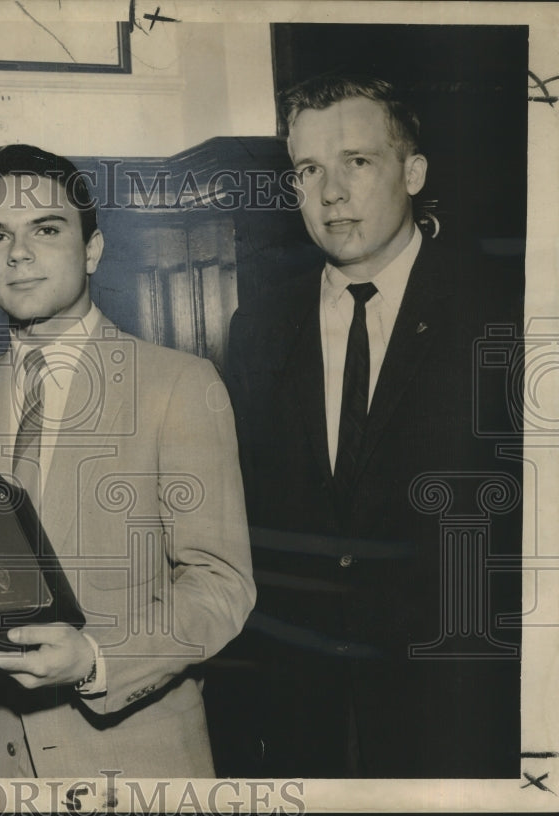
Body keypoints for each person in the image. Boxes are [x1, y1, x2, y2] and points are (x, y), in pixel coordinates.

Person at [0, 143, 255, 778]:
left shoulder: (178, 385)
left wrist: (97, 658)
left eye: (46, 228)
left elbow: (221, 586)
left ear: (92, 248)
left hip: (132, 764)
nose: (18, 253)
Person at [226, 74, 523, 777]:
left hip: (459, 707)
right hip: (305, 714)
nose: (330, 193)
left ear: (413, 172)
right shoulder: (261, 325)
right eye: (308, 169)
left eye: (357, 161)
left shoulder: (503, 315)